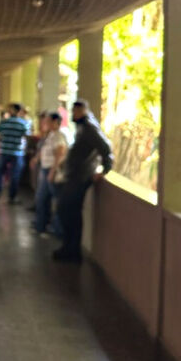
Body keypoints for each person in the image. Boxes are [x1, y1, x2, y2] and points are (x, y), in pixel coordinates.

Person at [53, 100, 113, 262]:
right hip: (75, 175)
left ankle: (72, 250)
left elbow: (106, 148)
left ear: (82, 111)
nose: (73, 115)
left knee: (67, 211)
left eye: (75, 112)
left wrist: (105, 169)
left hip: (81, 177)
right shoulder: (82, 127)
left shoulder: (89, 128)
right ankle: (69, 248)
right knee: (68, 212)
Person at [32, 112, 69, 236]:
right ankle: (41, 225)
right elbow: (44, 149)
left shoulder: (59, 136)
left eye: (47, 121)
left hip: (51, 171)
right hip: (46, 169)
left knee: (53, 199)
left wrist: (53, 171)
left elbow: (60, 153)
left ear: (55, 122)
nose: (44, 123)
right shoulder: (50, 135)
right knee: (42, 199)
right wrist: (36, 159)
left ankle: (55, 228)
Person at [0, 103, 31, 204]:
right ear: (19, 111)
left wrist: (3, 141)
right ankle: (12, 196)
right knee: (15, 175)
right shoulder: (24, 123)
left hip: (4, 150)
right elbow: (27, 137)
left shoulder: (3, 122)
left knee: (0, 172)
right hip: (17, 152)